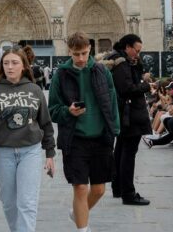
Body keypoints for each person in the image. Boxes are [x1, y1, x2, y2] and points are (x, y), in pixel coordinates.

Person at [0, 47, 55, 232]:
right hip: (3, 153)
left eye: (14, 63)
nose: (10, 67)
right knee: (9, 203)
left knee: (27, 203)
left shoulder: (34, 90)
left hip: (30, 152)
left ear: (24, 66)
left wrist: (50, 153)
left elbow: (45, 123)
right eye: (6, 63)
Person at [48, 31, 120, 232]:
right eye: (76, 54)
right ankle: (83, 228)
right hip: (75, 139)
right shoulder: (60, 75)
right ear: (69, 51)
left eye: (85, 53)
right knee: (80, 188)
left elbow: (112, 102)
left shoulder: (101, 71)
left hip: (100, 138)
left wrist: (114, 129)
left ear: (90, 50)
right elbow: (52, 109)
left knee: (98, 189)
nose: (81, 58)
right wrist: (68, 111)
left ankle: (78, 213)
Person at [106, 34, 153, 205]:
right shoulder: (122, 64)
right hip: (129, 115)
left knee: (121, 150)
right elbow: (127, 88)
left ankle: (118, 187)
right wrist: (146, 86)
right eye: (137, 50)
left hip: (124, 114)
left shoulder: (120, 61)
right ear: (127, 47)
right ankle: (128, 193)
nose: (138, 54)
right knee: (128, 154)